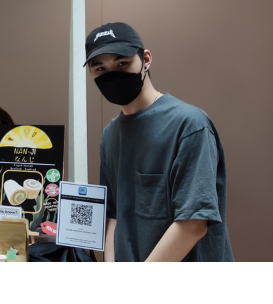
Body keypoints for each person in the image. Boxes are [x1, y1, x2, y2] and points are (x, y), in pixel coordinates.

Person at [85, 22, 232, 262]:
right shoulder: (110, 135)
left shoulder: (190, 125)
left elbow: (193, 223)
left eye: (122, 63)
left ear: (146, 59)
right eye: (100, 69)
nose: (112, 75)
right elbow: (113, 214)